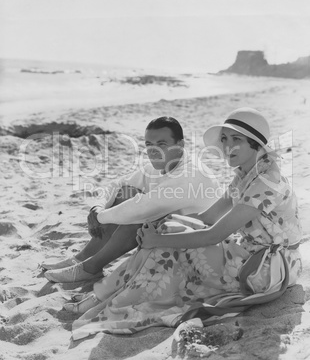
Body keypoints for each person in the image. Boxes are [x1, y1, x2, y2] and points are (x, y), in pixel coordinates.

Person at [63, 107, 302, 341]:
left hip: (267, 268)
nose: (228, 146)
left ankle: (106, 296)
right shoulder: (246, 173)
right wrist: (166, 227)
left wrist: (159, 240)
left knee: (168, 247)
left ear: (255, 143)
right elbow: (207, 217)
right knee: (167, 227)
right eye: (225, 139)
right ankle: (108, 293)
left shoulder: (266, 182)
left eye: (236, 139)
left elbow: (212, 235)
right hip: (249, 251)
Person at [43, 116, 218, 283]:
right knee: (128, 191)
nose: (153, 151)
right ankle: (81, 258)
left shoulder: (190, 173)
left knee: (142, 219)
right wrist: (97, 207)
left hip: (202, 240)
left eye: (162, 144)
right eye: (149, 145)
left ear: (180, 145)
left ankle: (90, 268)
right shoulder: (161, 165)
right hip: (175, 230)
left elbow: (143, 208)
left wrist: (99, 218)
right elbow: (118, 184)